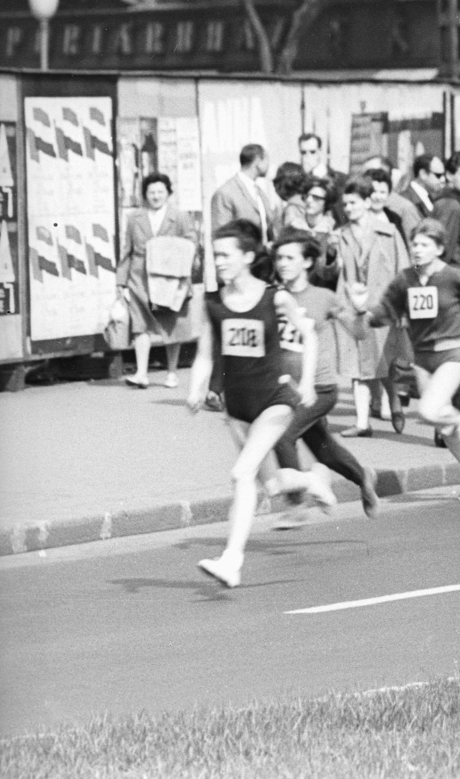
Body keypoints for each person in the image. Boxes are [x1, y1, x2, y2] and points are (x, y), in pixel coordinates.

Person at [188, 220, 316, 590]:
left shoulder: (273, 297)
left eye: (226, 255)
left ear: (247, 256)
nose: (220, 262)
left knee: (241, 475)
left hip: (274, 402)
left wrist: (306, 381)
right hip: (237, 408)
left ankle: (232, 561)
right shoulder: (212, 303)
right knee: (271, 484)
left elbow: (307, 334)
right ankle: (311, 480)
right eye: (216, 256)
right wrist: (196, 389)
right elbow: (204, 355)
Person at [356, 219, 460, 499]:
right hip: (422, 358)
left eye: (424, 245)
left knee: (428, 410)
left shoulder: (454, 276)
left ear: (438, 248)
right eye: (414, 244)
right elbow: (386, 310)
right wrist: (365, 311)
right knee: (441, 424)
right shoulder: (405, 279)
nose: (417, 250)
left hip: (451, 352)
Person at [266, 232, 380, 527]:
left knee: (283, 436)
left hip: (319, 388)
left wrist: (359, 309)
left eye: (290, 258)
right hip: (285, 389)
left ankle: (296, 504)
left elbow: (358, 332)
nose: (283, 264)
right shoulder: (273, 296)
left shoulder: (324, 297)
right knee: (322, 449)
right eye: (279, 258)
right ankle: (362, 475)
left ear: (306, 262)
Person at [333, 177, 411, 436]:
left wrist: (402, 308)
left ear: (367, 202)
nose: (348, 208)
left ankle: (394, 401)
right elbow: (331, 272)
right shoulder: (341, 235)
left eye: (353, 203)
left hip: (382, 309)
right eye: (345, 204)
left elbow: (403, 271)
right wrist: (330, 257)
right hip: (352, 309)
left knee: (382, 363)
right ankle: (362, 423)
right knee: (358, 368)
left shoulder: (388, 232)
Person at [116, 171, 199, 389]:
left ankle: (172, 372)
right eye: (151, 192)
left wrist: (178, 262)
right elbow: (127, 249)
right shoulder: (135, 218)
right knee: (140, 325)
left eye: (160, 191)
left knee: (172, 325)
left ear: (168, 193)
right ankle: (142, 373)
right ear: (145, 194)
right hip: (139, 278)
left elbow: (191, 243)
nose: (155, 196)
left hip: (170, 278)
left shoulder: (179, 216)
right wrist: (121, 281)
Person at [210, 143, 276, 242]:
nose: (268, 164)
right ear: (258, 161)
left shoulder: (259, 192)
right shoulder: (225, 193)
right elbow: (221, 235)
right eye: (266, 160)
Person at [384, 154, 445, 244]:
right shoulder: (406, 199)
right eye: (438, 175)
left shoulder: (431, 197)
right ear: (423, 174)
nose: (443, 179)